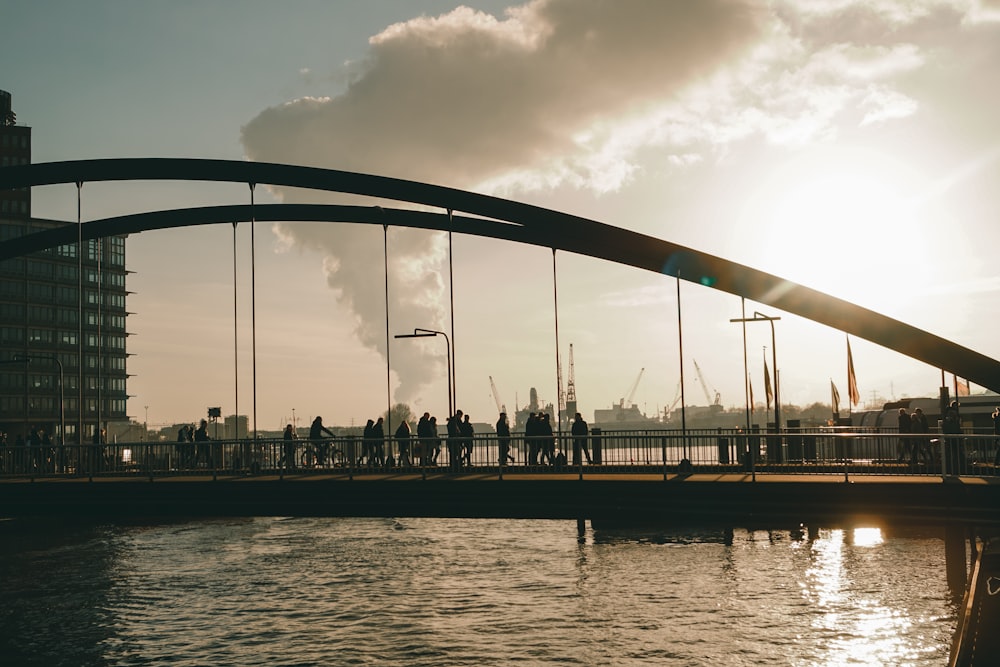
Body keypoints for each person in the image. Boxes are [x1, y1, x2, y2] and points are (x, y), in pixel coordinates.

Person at [941, 401, 963, 475]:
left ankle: (951, 468)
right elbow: (955, 425)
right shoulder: (953, 413)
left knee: (951, 452)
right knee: (956, 452)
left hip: (949, 436)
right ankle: (957, 468)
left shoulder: (947, 413)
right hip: (953, 435)